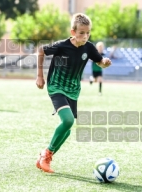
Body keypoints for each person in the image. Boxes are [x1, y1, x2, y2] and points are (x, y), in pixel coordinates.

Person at [35, 13, 112, 173]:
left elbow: (99, 61)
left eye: (88, 32)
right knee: (68, 120)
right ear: (73, 32)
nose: (85, 36)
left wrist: (104, 62)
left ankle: (46, 155)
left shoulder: (89, 47)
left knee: (68, 129)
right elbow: (41, 50)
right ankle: (46, 155)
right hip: (56, 86)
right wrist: (39, 76)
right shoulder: (62, 45)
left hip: (73, 90)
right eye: (81, 33)